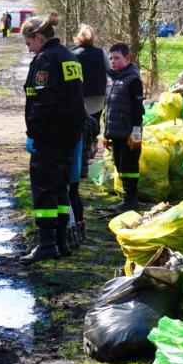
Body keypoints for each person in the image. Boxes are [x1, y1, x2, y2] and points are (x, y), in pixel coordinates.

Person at [19, 10, 86, 264]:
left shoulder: (46, 60)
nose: (28, 50)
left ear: (37, 37)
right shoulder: (70, 57)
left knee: (44, 188)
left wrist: (33, 133)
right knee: (60, 188)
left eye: (28, 44)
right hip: (70, 135)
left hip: (49, 136)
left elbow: (42, 102)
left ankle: (46, 243)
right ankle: (60, 241)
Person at [70, 24, 108, 241]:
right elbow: (108, 71)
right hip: (98, 98)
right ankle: (92, 145)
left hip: (81, 97)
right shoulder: (101, 53)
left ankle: (83, 153)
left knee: (82, 127)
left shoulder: (73, 55)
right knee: (94, 125)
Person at [103, 42, 144, 213]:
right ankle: (126, 200)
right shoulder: (113, 79)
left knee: (129, 167)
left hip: (129, 132)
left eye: (117, 58)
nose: (113, 61)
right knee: (120, 165)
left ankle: (131, 200)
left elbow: (137, 109)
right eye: (111, 58)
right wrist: (106, 133)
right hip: (116, 132)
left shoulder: (132, 80)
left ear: (127, 59)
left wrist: (135, 133)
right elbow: (109, 107)